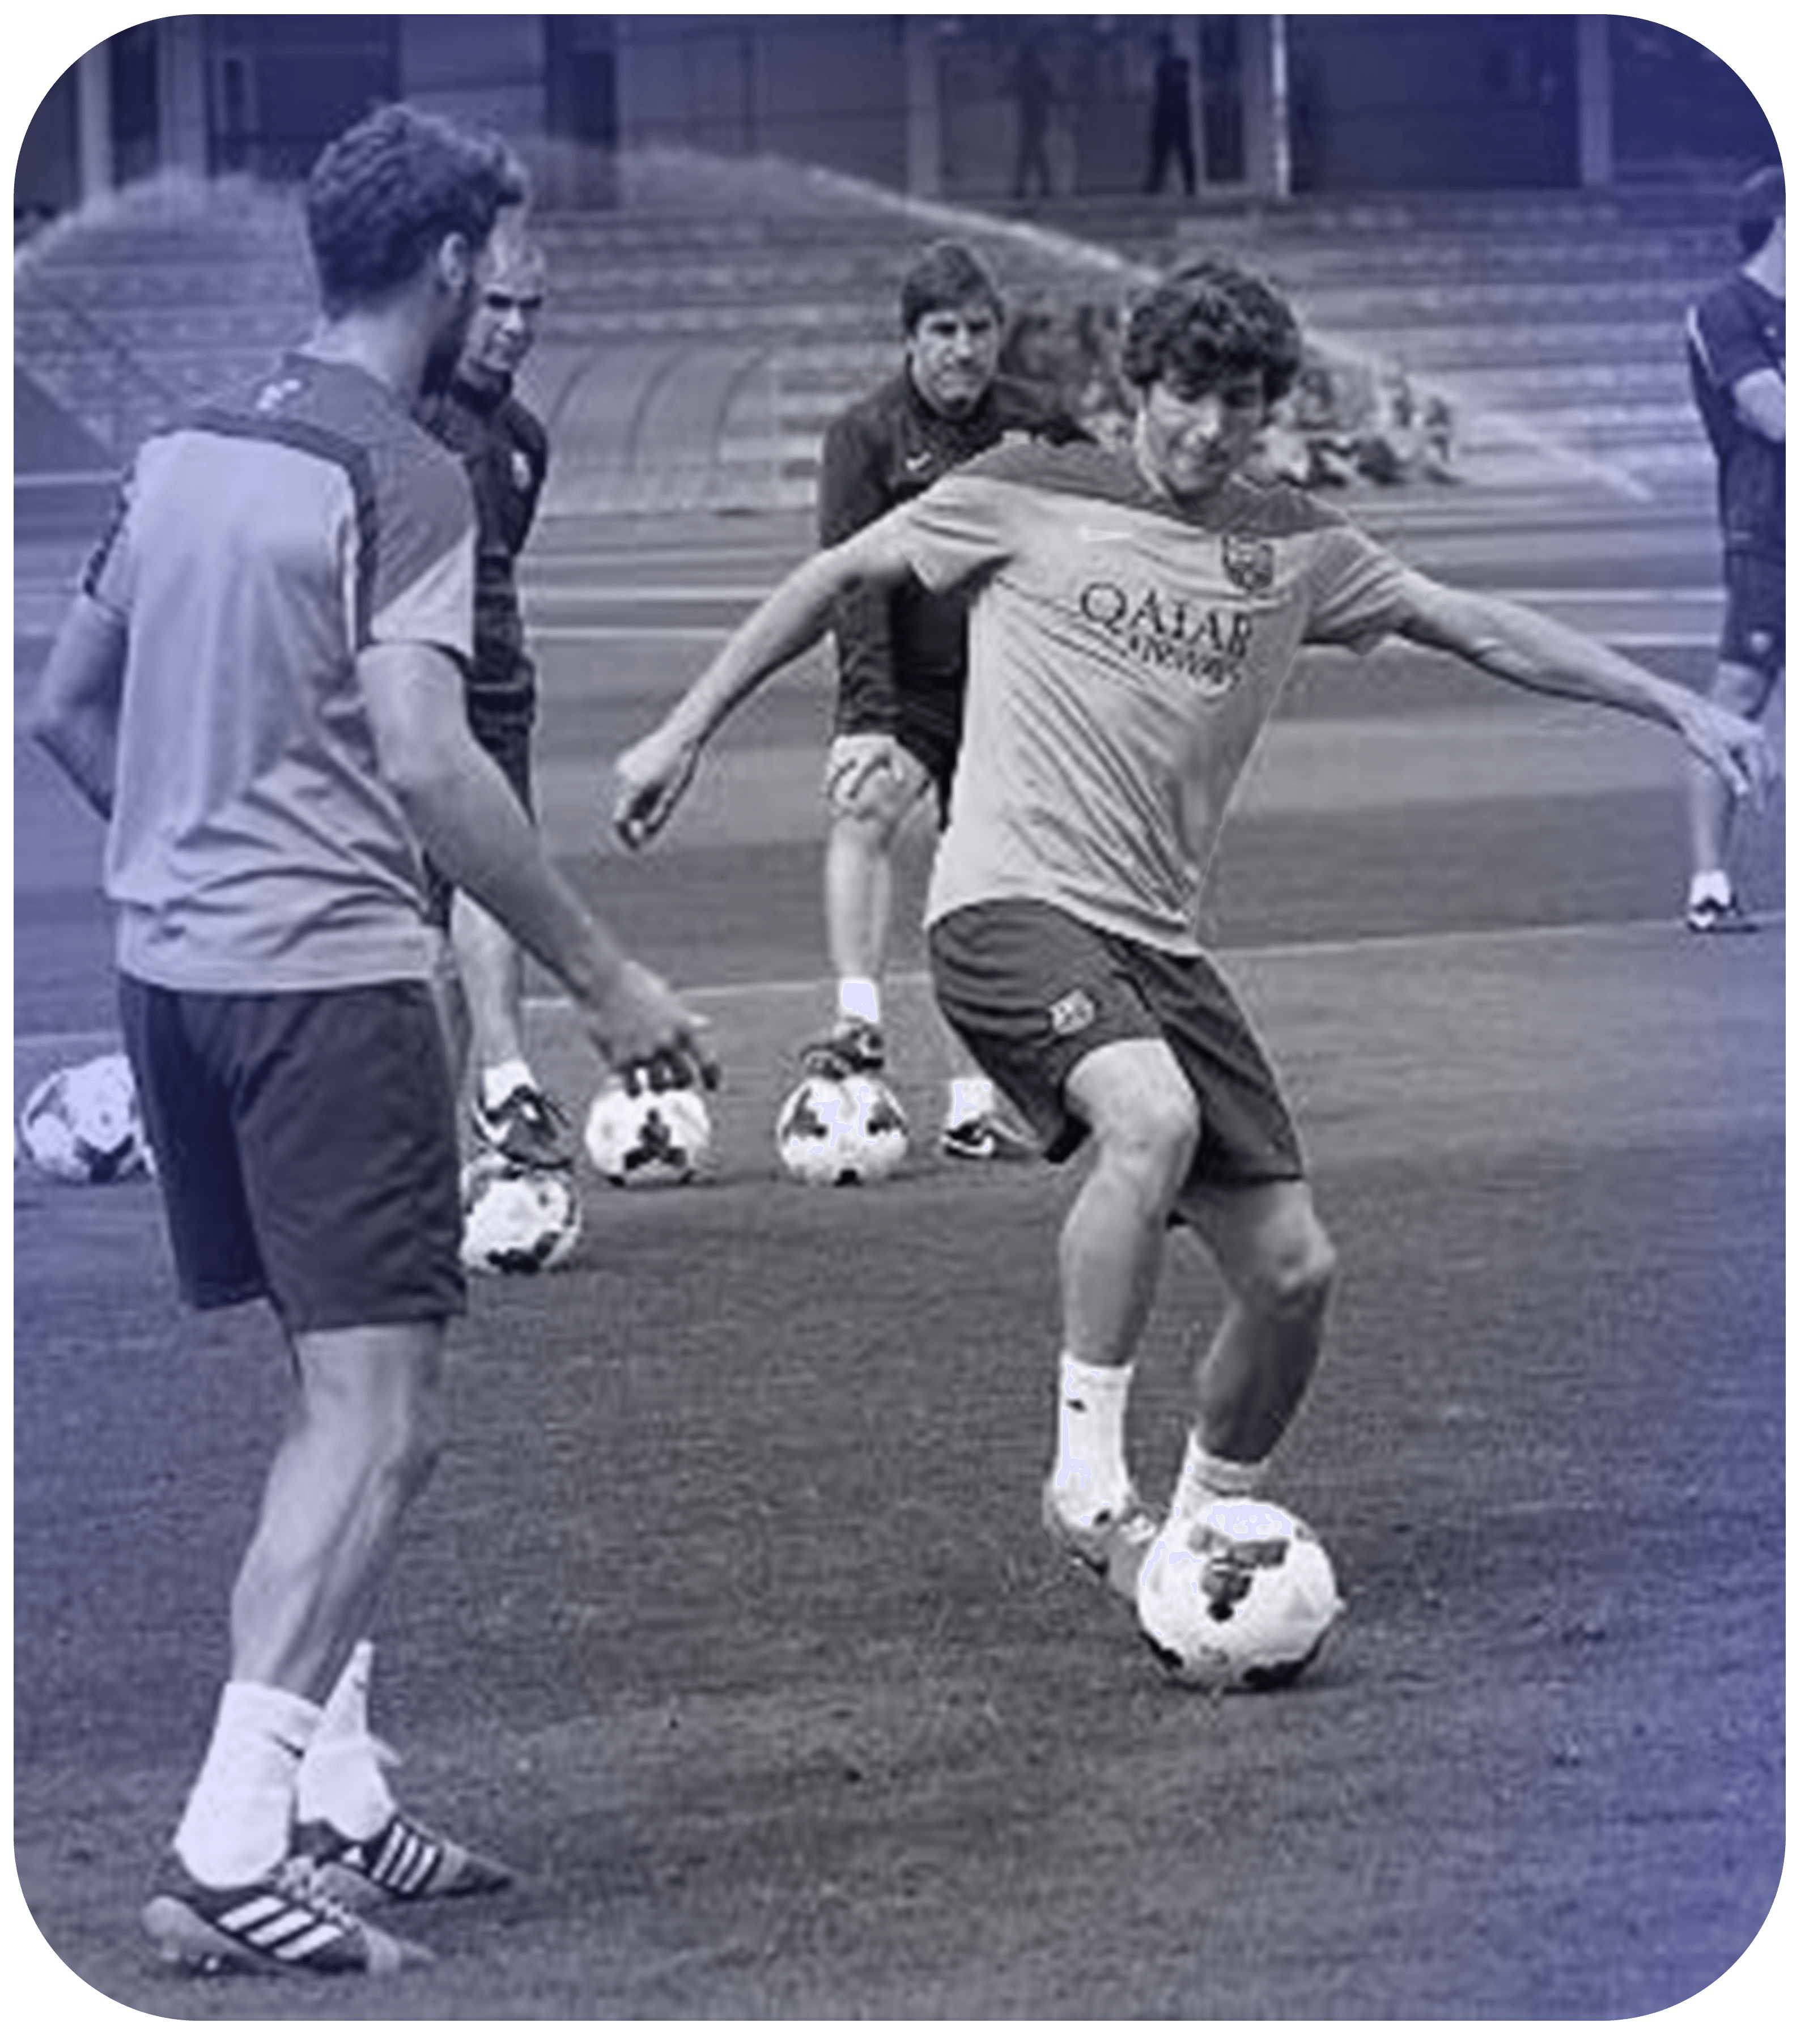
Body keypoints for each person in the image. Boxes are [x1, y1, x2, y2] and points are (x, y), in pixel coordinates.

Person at [611, 255, 1774, 1610]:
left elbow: (1473, 627)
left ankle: (1199, 1537)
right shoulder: (1027, 489)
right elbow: (837, 573)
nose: (1210, 428)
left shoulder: (1295, 544)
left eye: (1240, 404)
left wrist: (1678, 706)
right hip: (1008, 908)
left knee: (1294, 1274)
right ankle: (1089, 1481)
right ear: (1137, 387)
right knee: (1148, 1122)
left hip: (1159, 949)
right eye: (1186, 396)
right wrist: (680, 732)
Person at [29, 103, 712, 1978]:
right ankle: (235, 1834)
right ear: (442, 267)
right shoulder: (406, 475)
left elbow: (67, 708)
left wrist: (193, 843)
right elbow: (429, 758)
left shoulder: (184, 450)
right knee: (387, 1420)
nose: (510, 284)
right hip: (328, 987)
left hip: (175, 985)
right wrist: (604, 982)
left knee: (324, 1396)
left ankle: (334, 1790)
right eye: (497, 255)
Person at [808, 239, 1085, 1161]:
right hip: (916, 689)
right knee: (865, 803)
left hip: (1011, 692)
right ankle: (858, 1023)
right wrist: (867, 721)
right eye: (944, 331)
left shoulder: (1040, 424)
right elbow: (853, 584)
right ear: (911, 339)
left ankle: (975, 1102)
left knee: (983, 885)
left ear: (999, 333)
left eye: (979, 329)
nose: (964, 349)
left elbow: (1106, 527)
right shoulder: (865, 434)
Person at [416, 235, 574, 1167]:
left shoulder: (524, 440)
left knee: (479, 894)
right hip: (411, 697)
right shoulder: (403, 414)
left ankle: (477, 1110)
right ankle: (476, 1101)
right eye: (498, 306)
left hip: (500, 693)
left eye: (531, 309)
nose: (516, 328)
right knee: (439, 916)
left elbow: (500, 564)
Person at [1681, 163, 1786, 934]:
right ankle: (1709, 882)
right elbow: (1773, 415)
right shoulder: (1726, 311)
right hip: (1772, 537)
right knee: (1737, 698)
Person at [1144, 32, 1197, 199]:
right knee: (1163, 152)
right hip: (1171, 113)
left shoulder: (1178, 65)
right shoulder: (1173, 66)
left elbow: (1168, 92)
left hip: (1173, 114)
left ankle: (1188, 187)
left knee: (1178, 151)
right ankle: (1157, 185)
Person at [1011, 34, 1056, 202]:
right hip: (1038, 115)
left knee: (1030, 151)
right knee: (1035, 151)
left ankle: (1024, 187)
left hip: (1031, 115)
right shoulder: (1038, 74)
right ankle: (1041, 186)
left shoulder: (1024, 74)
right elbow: (1051, 93)